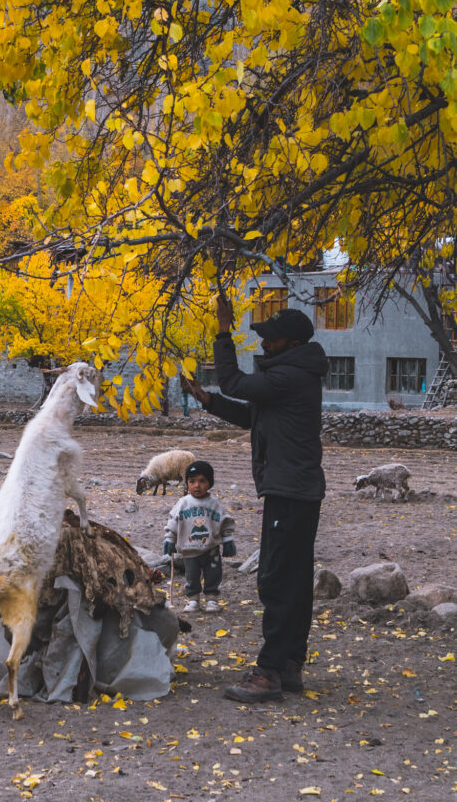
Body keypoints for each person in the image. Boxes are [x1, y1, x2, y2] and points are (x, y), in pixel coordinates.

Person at [181, 300, 328, 702]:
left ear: (292, 342)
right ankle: (289, 666)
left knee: (276, 579)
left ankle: (269, 673)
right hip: (297, 490)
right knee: (294, 581)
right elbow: (252, 416)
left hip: (289, 491)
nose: (262, 344)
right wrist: (207, 401)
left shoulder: (289, 376)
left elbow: (233, 382)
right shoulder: (292, 375)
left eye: (270, 338)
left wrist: (223, 332)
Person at [163, 460, 236, 614]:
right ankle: (193, 600)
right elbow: (173, 521)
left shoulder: (214, 504)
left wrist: (228, 541)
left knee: (213, 575)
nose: (197, 485)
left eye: (202, 481)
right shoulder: (183, 503)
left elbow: (224, 522)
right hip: (189, 550)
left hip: (211, 548)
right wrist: (169, 539)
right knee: (192, 576)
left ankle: (211, 599)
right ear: (187, 483)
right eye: (192, 481)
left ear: (210, 483)